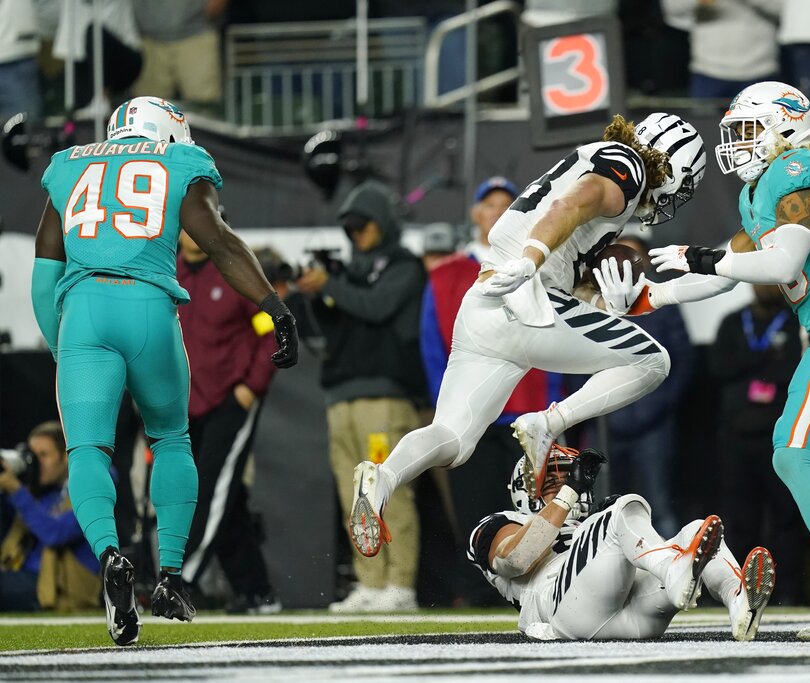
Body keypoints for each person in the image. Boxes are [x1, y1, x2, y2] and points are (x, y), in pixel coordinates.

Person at [613, 82, 810, 640]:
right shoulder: (764, 191)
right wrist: (655, 295)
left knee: (792, 454)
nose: (739, 142)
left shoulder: (796, 168)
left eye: (749, 128)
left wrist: (701, 257)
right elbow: (730, 269)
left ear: (788, 126)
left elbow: (780, 264)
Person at [347, 112, 708, 562]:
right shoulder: (627, 166)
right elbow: (570, 206)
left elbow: (574, 274)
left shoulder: (597, 164)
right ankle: (549, 422)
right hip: (526, 295)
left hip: (483, 302)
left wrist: (607, 303)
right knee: (653, 361)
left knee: (453, 439)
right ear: (670, 162)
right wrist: (533, 259)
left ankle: (383, 478)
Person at [31, 96, 298, 645]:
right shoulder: (180, 162)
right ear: (170, 133)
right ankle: (171, 576)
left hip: (83, 312)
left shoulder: (70, 164)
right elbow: (218, 242)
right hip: (151, 310)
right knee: (172, 439)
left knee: (88, 451)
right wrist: (276, 309)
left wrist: (63, 349)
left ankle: (110, 554)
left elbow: (44, 270)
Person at [468, 444, 776, 641]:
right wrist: (570, 494)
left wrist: (590, 520)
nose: (569, 485)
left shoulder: (588, 524)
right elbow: (515, 560)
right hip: (563, 612)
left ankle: (739, 603)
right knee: (625, 508)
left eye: (572, 477)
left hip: (635, 616)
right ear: (526, 490)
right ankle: (674, 571)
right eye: (555, 480)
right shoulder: (502, 522)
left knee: (696, 530)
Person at [420, 175, 560, 606]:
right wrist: (449, 410)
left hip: (529, 410)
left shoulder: (545, 267)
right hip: (475, 411)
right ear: (476, 214)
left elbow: (560, 342)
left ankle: (539, 588)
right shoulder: (448, 275)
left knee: (537, 505)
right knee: (473, 505)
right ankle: (480, 591)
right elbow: (432, 345)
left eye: (508, 204)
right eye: (490, 204)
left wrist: (556, 407)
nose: (499, 211)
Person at [295, 179, 425, 613]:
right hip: (340, 395)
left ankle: (400, 582)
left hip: (384, 395)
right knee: (355, 496)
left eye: (363, 225)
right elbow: (327, 330)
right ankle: (370, 581)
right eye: (350, 229)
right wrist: (316, 296)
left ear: (383, 222)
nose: (357, 234)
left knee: (389, 489)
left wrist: (329, 288)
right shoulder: (346, 273)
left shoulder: (404, 265)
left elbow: (378, 307)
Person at [176, 228, 282, 615]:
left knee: (207, 488)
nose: (192, 233)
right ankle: (258, 592)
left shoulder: (236, 270)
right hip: (183, 402)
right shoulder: (168, 270)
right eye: (186, 224)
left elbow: (269, 328)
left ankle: (181, 580)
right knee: (227, 497)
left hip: (230, 398)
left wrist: (252, 386)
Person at [708, 284, 807, 605]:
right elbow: (718, 367)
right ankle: (738, 591)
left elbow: (796, 370)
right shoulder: (732, 322)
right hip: (736, 437)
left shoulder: (797, 323)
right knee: (739, 518)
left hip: (780, 436)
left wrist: (750, 362)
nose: (765, 286)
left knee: (786, 515)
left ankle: (786, 591)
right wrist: (765, 358)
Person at [604, 229, 693, 536]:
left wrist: (658, 405)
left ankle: (673, 576)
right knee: (604, 511)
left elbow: (682, 360)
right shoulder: (593, 301)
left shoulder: (660, 301)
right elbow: (576, 368)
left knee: (659, 506)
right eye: (618, 255)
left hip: (653, 425)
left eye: (633, 256)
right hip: (605, 425)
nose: (625, 263)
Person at [0, 421, 100, 612]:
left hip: (59, 588)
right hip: (25, 577)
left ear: (65, 457)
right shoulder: (41, 491)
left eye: (43, 455)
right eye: (31, 455)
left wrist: (15, 490)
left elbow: (56, 534)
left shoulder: (89, 487)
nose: (35, 463)